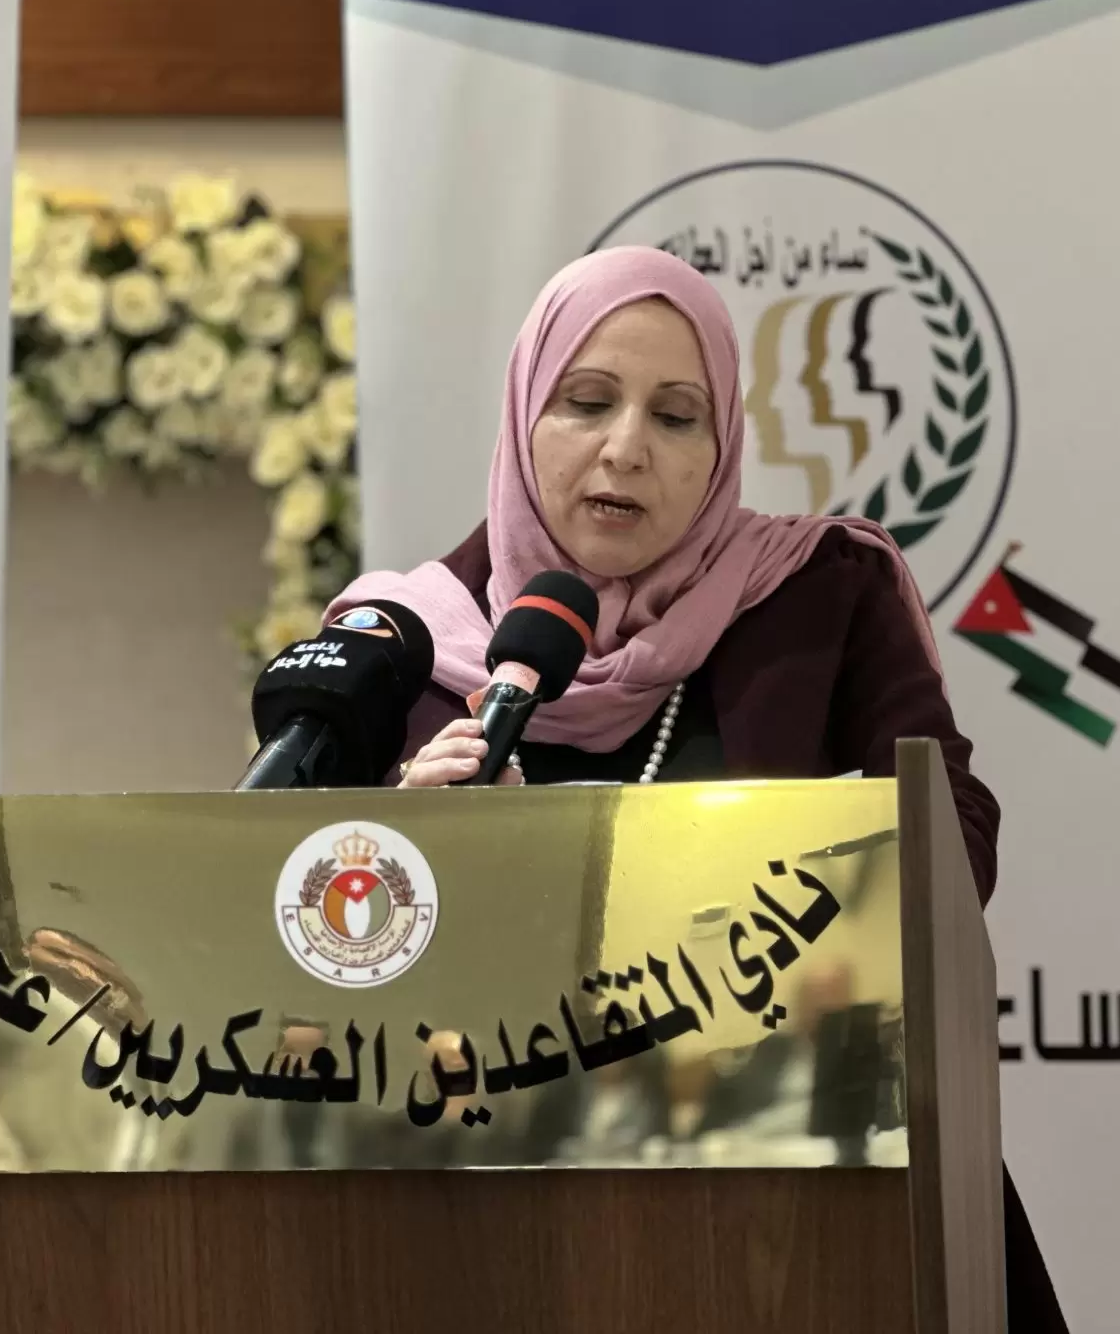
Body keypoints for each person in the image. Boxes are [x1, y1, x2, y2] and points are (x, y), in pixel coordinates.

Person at [328, 243, 1068, 1331]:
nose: (626, 447)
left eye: (676, 417)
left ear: (722, 449)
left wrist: (770, 868)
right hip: (492, 1205)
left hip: (807, 1187)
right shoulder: (398, 640)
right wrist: (403, 854)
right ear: (524, 415)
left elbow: (952, 842)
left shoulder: (819, 594)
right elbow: (307, 950)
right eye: (586, 402)